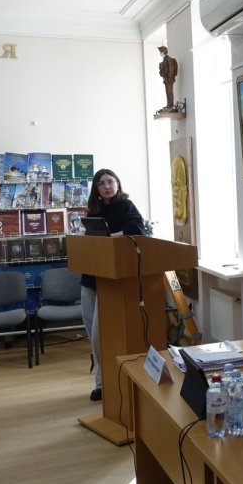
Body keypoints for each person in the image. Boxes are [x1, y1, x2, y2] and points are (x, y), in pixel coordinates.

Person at [79, 168, 145, 401]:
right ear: (96, 189)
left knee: (100, 334)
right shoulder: (93, 211)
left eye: (110, 181)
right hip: (91, 276)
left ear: (118, 184)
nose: (106, 186)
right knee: (91, 332)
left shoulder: (126, 206)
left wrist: (111, 237)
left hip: (112, 278)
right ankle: (100, 382)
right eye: (101, 183)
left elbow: (137, 230)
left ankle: (108, 381)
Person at [158, 45, 179, 112]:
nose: (160, 53)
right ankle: (169, 104)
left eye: (160, 52)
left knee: (169, 92)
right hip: (166, 79)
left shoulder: (168, 59)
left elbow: (171, 69)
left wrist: (169, 78)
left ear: (163, 52)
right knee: (168, 92)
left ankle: (170, 105)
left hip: (169, 79)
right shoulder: (164, 59)